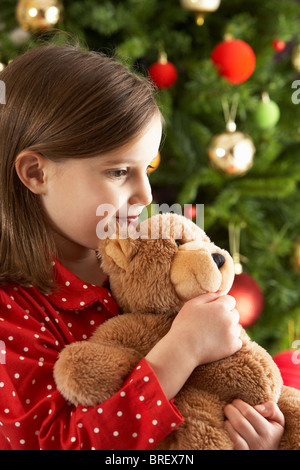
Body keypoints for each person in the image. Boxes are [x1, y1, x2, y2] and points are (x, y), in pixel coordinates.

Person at [0, 45, 284, 450]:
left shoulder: (154, 267)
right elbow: (59, 443)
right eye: (119, 171)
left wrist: (257, 434)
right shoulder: (12, 316)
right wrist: (182, 349)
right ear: (36, 172)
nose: (145, 195)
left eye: (147, 168)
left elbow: (219, 387)